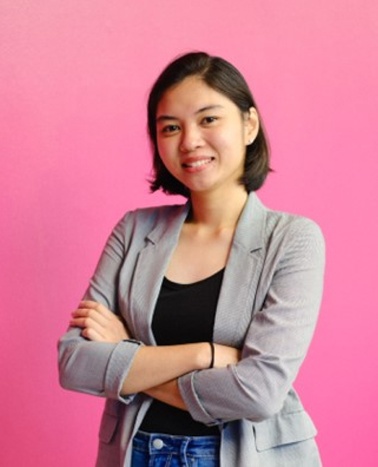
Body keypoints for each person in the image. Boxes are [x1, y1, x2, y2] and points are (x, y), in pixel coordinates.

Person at [58, 51, 325, 467]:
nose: (189, 141)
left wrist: (125, 353)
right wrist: (204, 354)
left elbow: (259, 392)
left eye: (208, 119)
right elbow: (74, 362)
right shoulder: (134, 231)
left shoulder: (293, 239)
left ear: (249, 125)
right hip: (136, 452)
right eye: (170, 127)